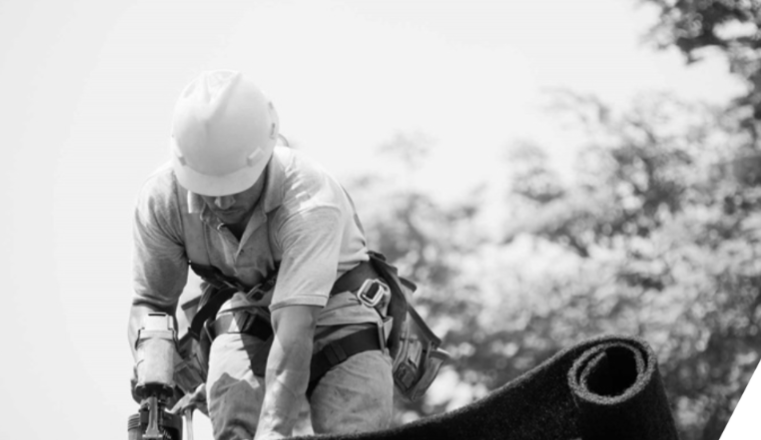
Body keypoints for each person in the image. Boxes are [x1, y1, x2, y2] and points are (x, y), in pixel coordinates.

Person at [128, 70, 394, 440]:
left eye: (233, 185)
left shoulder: (308, 198)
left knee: (351, 430)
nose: (220, 201)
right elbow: (152, 303)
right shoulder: (164, 199)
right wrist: (154, 371)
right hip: (248, 304)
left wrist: (273, 432)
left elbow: (295, 327)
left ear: (263, 158)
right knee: (232, 417)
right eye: (207, 186)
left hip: (338, 305)